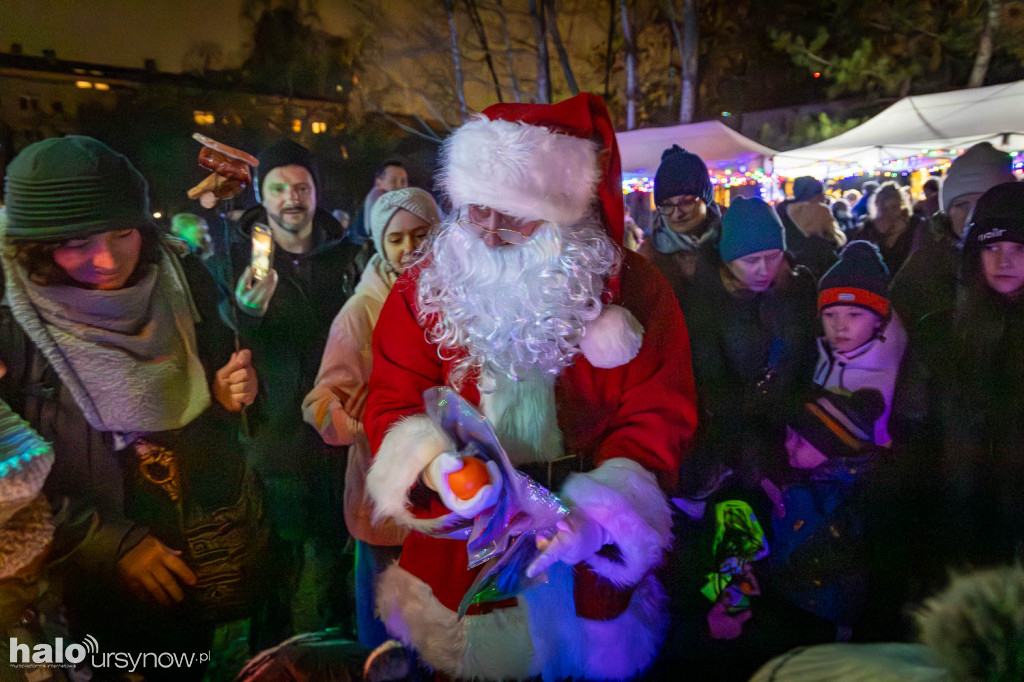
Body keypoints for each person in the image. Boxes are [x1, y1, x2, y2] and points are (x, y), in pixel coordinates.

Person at [362, 93, 698, 681]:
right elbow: (392, 400)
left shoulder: (637, 291)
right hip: (464, 557)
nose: (488, 235)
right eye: (475, 211)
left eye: (513, 214)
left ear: (566, 209)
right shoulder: (422, 288)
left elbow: (658, 412)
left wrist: (601, 513)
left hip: (584, 555)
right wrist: (440, 471)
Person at [0, 136, 263, 679]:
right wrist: (103, 541)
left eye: (123, 233)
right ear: (36, 246)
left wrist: (226, 394)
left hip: (186, 561)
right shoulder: (11, 320)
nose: (107, 259)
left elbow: (211, 392)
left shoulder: (178, 277)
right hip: (73, 593)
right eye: (76, 242)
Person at [216, 138, 362, 643]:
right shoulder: (237, 257)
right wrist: (242, 311)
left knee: (336, 575)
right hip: (273, 446)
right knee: (273, 579)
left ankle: (339, 661)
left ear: (317, 193)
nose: (290, 199)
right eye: (278, 188)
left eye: (301, 187)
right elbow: (219, 344)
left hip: (337, 444)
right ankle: (268, 662)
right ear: (263, 195)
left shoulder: (350, 259)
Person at [302, 188, 439, 649]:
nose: (408, 249)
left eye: (421, 235)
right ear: (381, 245)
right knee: (390, 633)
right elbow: (323, 397)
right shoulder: (362, 311)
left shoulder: (457, 300)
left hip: (449, 491)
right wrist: (361, 428)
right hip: (385, 497)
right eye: (396, 239)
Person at [682, 197, 818, 492]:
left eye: (773, 256)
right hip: (737, 441)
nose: (764, 269)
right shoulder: (706, 303)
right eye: (751, 260)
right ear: (728, 260)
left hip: (792, 434)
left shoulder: (797, 289)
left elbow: (808, 357)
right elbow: (710, 379)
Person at [890, 143, 1017, 331]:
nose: (971, 215)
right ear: (947, 213)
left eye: (983, 203)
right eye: (961, 205)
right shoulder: (924, 263)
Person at [638, 144, 721, 309]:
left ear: (706, 198)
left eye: (687, 201)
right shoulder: (647, 260)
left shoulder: (733, 242)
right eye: (667, 205)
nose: (677, 214)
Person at [780, 176, 847, 279]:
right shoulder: (821, 210)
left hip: (792, 269)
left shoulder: (782, 210)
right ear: (817, 193)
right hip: (821, 267)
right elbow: (835, 237)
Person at [850, 181, 917, 275]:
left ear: (902, 206)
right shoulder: (868, 227)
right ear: (877, 207)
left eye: (894, 207)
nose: (889, 213)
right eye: (884, 209)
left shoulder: (913, 226)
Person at [345, 160, 410, 248]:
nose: (399, 186)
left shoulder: (396, 201)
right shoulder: (378, 199)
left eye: (403, 181)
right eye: (393, 181)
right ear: (378, 183)